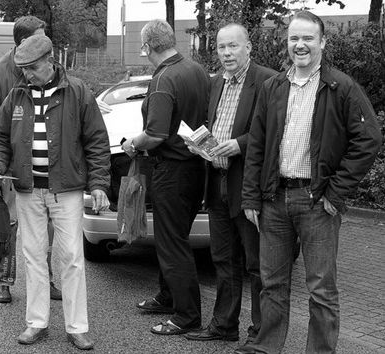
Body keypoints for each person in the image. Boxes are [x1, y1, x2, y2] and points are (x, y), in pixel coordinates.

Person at [242, 11, 382, 354]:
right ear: (286, 43)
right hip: (274, 199)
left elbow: (368, 140)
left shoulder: (341, 87)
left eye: (307, 38)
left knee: (321, 290)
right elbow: (257, 145)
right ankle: (267, 347)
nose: (300, 45)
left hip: (317, 202)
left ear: (322, 42)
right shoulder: (273, 87)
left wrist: (336, 192)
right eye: (293, 38)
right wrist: (250, 198)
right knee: (272, 284)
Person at [0, 34, 111, 351]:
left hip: (66, 190)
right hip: (28, 190)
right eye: (23, 68)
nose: (27, 74)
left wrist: (98, 184)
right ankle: (36, 323)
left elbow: (97, 142)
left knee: (71, 258)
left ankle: (77, 327)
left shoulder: (78, 91)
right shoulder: (16, 95)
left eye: (32, 68)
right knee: (33, 257)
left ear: (50, 60)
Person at [182, 23, 277, 354]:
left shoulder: (267, 80)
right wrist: (202, 146)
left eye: (233, 47)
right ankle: (224, 326)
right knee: (223, 259)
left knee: (256, 265)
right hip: (217, 181)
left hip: (247, 187)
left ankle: (259, 334)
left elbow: (274, 134)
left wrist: (238, 145)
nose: (226, 53)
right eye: (221, 47)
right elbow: (216, 126)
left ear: (248, 47)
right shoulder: (216, 82)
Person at [121, 19, 210, 335]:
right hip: (195, 167)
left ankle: (186, 315)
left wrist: (132, 144)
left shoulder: (163, 80)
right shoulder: (196, 70)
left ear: (147, 47)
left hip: (171, 169)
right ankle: (167, 295)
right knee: (176, 238)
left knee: (172, 244)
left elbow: (155, 134)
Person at [0, 15, 61, 304]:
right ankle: (3, 279)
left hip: (46, 164)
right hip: (13, 167)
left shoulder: (51, 65)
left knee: (48, 224)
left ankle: (46, 277)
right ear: (23, 42)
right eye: (40, 37)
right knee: (9, 224)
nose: (46, 44)